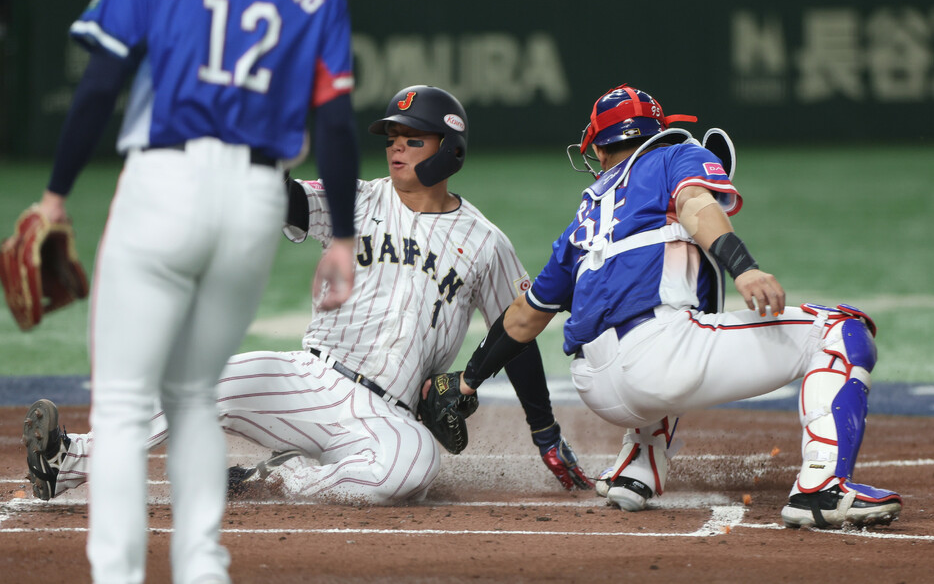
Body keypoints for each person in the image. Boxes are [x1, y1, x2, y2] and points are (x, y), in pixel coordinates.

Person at [23, 84, 591, 508]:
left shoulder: (485, 242)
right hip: (308, 378)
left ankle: (281, 477)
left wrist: (544, 431)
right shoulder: (359, 199)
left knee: (412, 470)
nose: (395, 151)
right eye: (392, 140)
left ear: (450, 152)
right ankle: (66, 459)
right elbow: (287, 200)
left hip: (385, 413)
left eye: (411, 140)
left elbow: (518, 331)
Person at [19, 0, 360, 582]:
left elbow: (100, 83)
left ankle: (117, 576)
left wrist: (54, 194)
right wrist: (341, 235)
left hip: (163, 181)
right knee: (194, 395)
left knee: (123, 407)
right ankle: (202, 568)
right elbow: (335, 123)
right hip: (256, 198)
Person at [449, 83, 902, 530]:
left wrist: (466, 384)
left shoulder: (583, 219)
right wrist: (743, 267)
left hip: (595, 387)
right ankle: (822, 488)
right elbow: (693, 202)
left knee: (677, 324)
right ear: (656, 132)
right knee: (841, 329)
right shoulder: (673, 153)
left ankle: (636, 469)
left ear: (601, 149)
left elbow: (525, 318)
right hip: (659, 362)